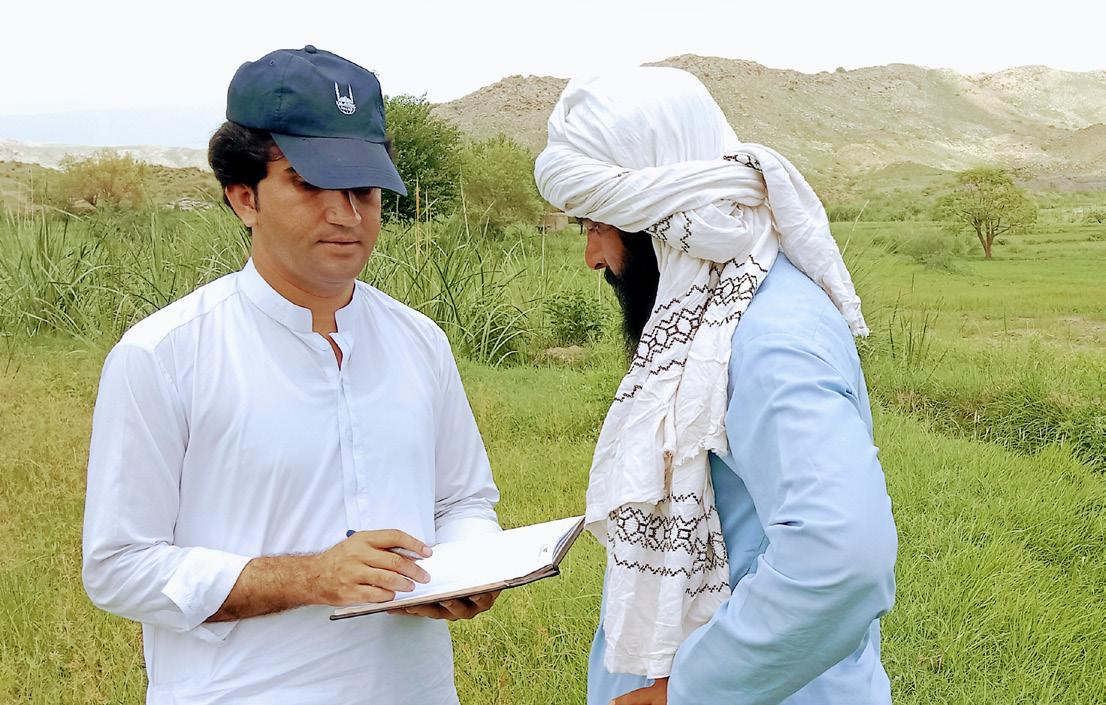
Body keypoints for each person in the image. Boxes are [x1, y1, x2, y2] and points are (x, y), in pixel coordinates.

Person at [81, 46, 501, 705]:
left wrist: (470, 567)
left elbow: (464, 501)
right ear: (244, 196)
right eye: (310, 184)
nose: (346, 214)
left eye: (364, 190)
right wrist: (310, 578)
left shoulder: (420, 341)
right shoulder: (164, 355)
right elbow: (118, 566)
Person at [535, 67, 898, 705]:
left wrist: (691, 690)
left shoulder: (769, 338)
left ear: (657, 219)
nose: (592, 257)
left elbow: (843, 557)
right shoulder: (716, 314)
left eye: (597, 225)